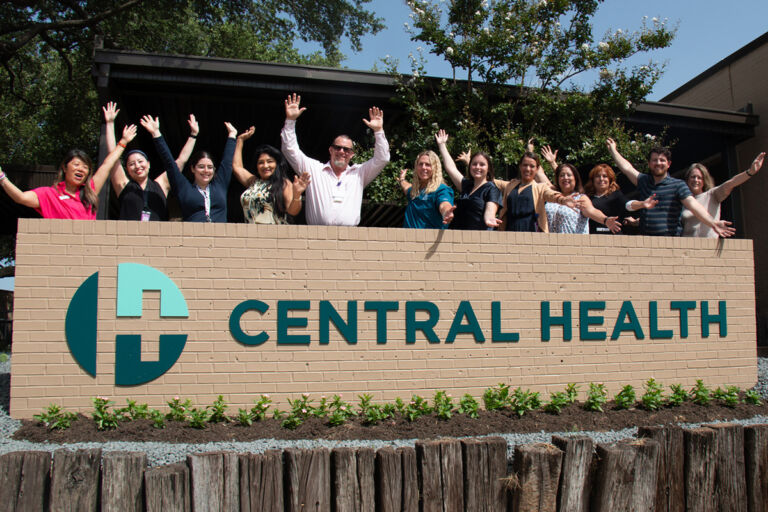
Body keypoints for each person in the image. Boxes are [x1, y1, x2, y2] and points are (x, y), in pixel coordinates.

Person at [280, 93, 390, 226]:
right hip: (316, 237)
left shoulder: (359, 173)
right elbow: (289, 149)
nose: (342, 152)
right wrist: (290, 121)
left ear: (352, 154)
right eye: (337, 148)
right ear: (330, 150)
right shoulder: (313, 170)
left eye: (347, 149)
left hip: (349, 240)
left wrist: (378, 131)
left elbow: (383, 158)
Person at [0, 125, 136, 219]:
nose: (81, 169)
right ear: (65, 168)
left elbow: (107, 165)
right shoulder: (48, 194)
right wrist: (2, 178)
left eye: (85, 167)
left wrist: (123, 141)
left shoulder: (90, 191)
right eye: (76, 165)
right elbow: (20, 198)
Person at [606, 138, 735, 237]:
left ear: (669, 164)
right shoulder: (643, 181)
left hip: (671, 242)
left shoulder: (678, 185)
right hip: (646, 240)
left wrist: (713, 223)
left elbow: (693, 206)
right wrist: (613, 150)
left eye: (662, 160)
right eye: (655, 160)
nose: (658, 163)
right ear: (649, 164)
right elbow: (626, 168)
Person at [103, 102, 199, 221]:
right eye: (132, 164)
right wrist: (110, 123)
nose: (137, 166)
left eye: (140, 161)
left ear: (148, 164)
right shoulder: (123, 185)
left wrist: (193, 135)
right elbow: (112, 156)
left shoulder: (161, 184)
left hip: (157, 238)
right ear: (127, 169)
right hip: (129, 238)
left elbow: (180, 161)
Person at [142, 115, 236, 222]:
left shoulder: (220, 184)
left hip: (220, 237)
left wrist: (232, 136)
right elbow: (169, 164)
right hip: (192, 236)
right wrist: (156, 134)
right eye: (201, 167)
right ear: (193, 169)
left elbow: (227, 162)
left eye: (210, 167)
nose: (206, 170)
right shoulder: (184, 188)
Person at [233, 126, 308, 224]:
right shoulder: (254, 182)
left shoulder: (283, 183)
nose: (265, 165)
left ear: (277, 164)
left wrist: (297, 194)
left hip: (274, 236)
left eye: (270, 161)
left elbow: (293, 211)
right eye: (261, 162)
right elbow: (237, 167)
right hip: (251, 235)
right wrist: (240, 140)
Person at [681, 153, 765, 237]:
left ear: (704, 181)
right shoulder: (683, 200)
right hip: (688, 246)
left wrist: (750, 172)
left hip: (708, 246)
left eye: (699, 177)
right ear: (687, 179)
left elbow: (731, 183)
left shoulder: (712, 194)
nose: (696, 180)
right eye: (693, 177)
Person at [433, 130, 502, 230]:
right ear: (470, 167)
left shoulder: (492, 189)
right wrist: (442, 145)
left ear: (489, 169)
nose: (477, 167)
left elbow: (490, 210)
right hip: (459, 237)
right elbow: (451, 168)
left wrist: (489, 219)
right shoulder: (466, 186)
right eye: (474, 164)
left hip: (478, 239)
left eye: (482, 164)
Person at [498, 152, 575, 232]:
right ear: (520, 166)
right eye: (525, 165)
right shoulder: (511, 186)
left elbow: (551, 195)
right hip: (509, 233)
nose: (528, 169)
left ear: (537, 169)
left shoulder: (540, 188)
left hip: (532, 234)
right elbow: (493, 182)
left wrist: (563, 200)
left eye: (532, 166)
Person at [397, 150, 454, 229]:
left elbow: (444, 203)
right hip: (408, 239)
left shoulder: (441, 189)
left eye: (428, 164)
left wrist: (446, 212)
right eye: (420, 164)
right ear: (416, 167)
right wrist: (402, 179)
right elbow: (406, 187)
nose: (423, 167)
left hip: (429, 240)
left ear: (435, 168)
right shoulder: (414, 191)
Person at [583, 164, 635, 234]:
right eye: (598, 176)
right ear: (593, 180)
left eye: (605, 176)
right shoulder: (587, 198)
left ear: (610, 180)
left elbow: (628, 204)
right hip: (592, 238)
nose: (601, 179)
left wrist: (642, 204)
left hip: (614, 237)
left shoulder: (617, 195)